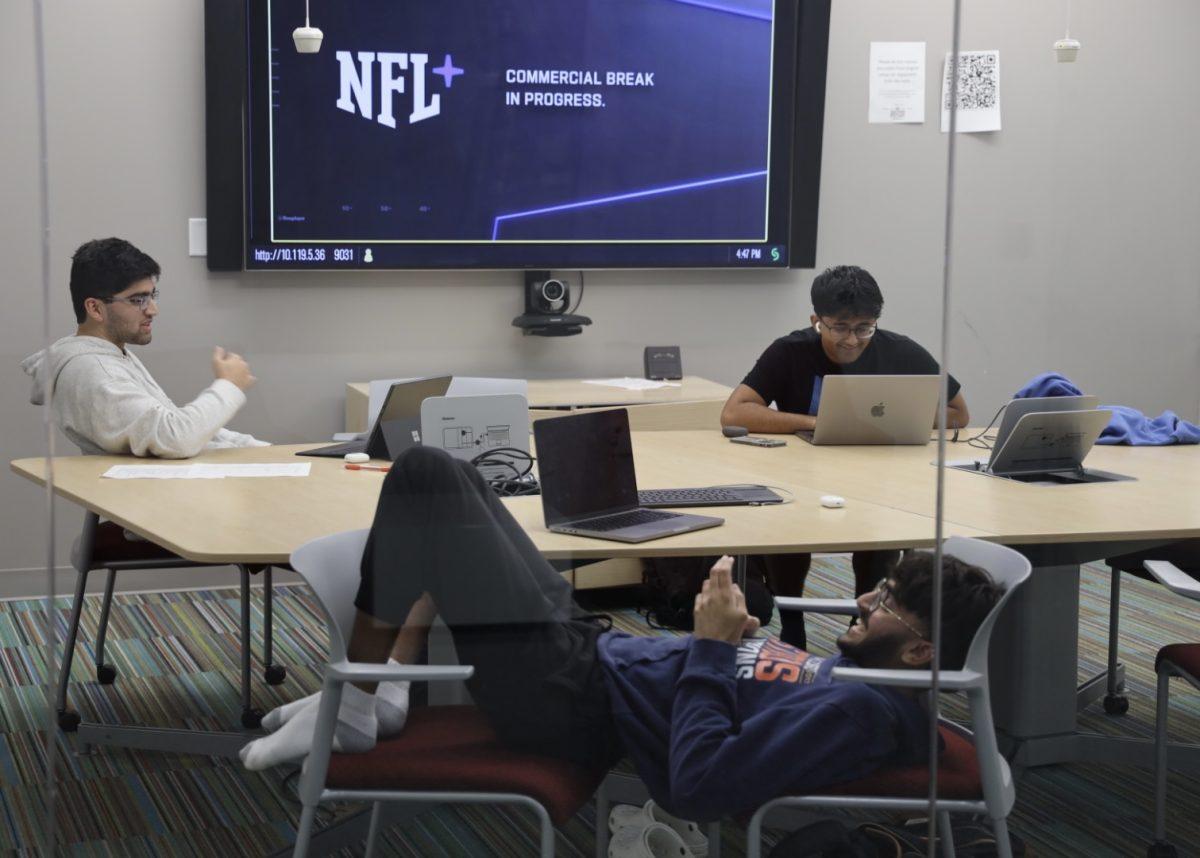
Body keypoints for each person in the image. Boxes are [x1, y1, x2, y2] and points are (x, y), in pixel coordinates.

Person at [239, 446, 1002, 821]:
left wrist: (710, 644)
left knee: (426, 478)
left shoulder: (861, 712)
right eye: (881, 585)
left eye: (888, 602)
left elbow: (696, 789)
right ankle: (384, 698)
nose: (863, 597)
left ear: (922, 652)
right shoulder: (887, 691)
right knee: (458, 489)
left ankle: (364, 702)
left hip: (568, 698)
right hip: (590, 653)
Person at [720, 265, 969, 648]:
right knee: (786, 533)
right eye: (839, 328)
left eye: (864, 328)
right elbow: (735, 412)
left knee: (880, 538)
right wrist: (815, 422)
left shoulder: (898, 349)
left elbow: (958, 414)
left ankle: (865, 624)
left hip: (880, 479)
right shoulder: (790, 350)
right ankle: (793, 624)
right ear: (816, 321)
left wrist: (909, 415)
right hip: (800, 475)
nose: (852, 340)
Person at [21, 237, 268, 457]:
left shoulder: (110, 355)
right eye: (138, 300)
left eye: (152, 296)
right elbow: (177, 437)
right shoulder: (93, 371)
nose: (152, 310)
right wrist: (228, 386)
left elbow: (169, 425)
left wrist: (264, 451)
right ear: (95, 308)